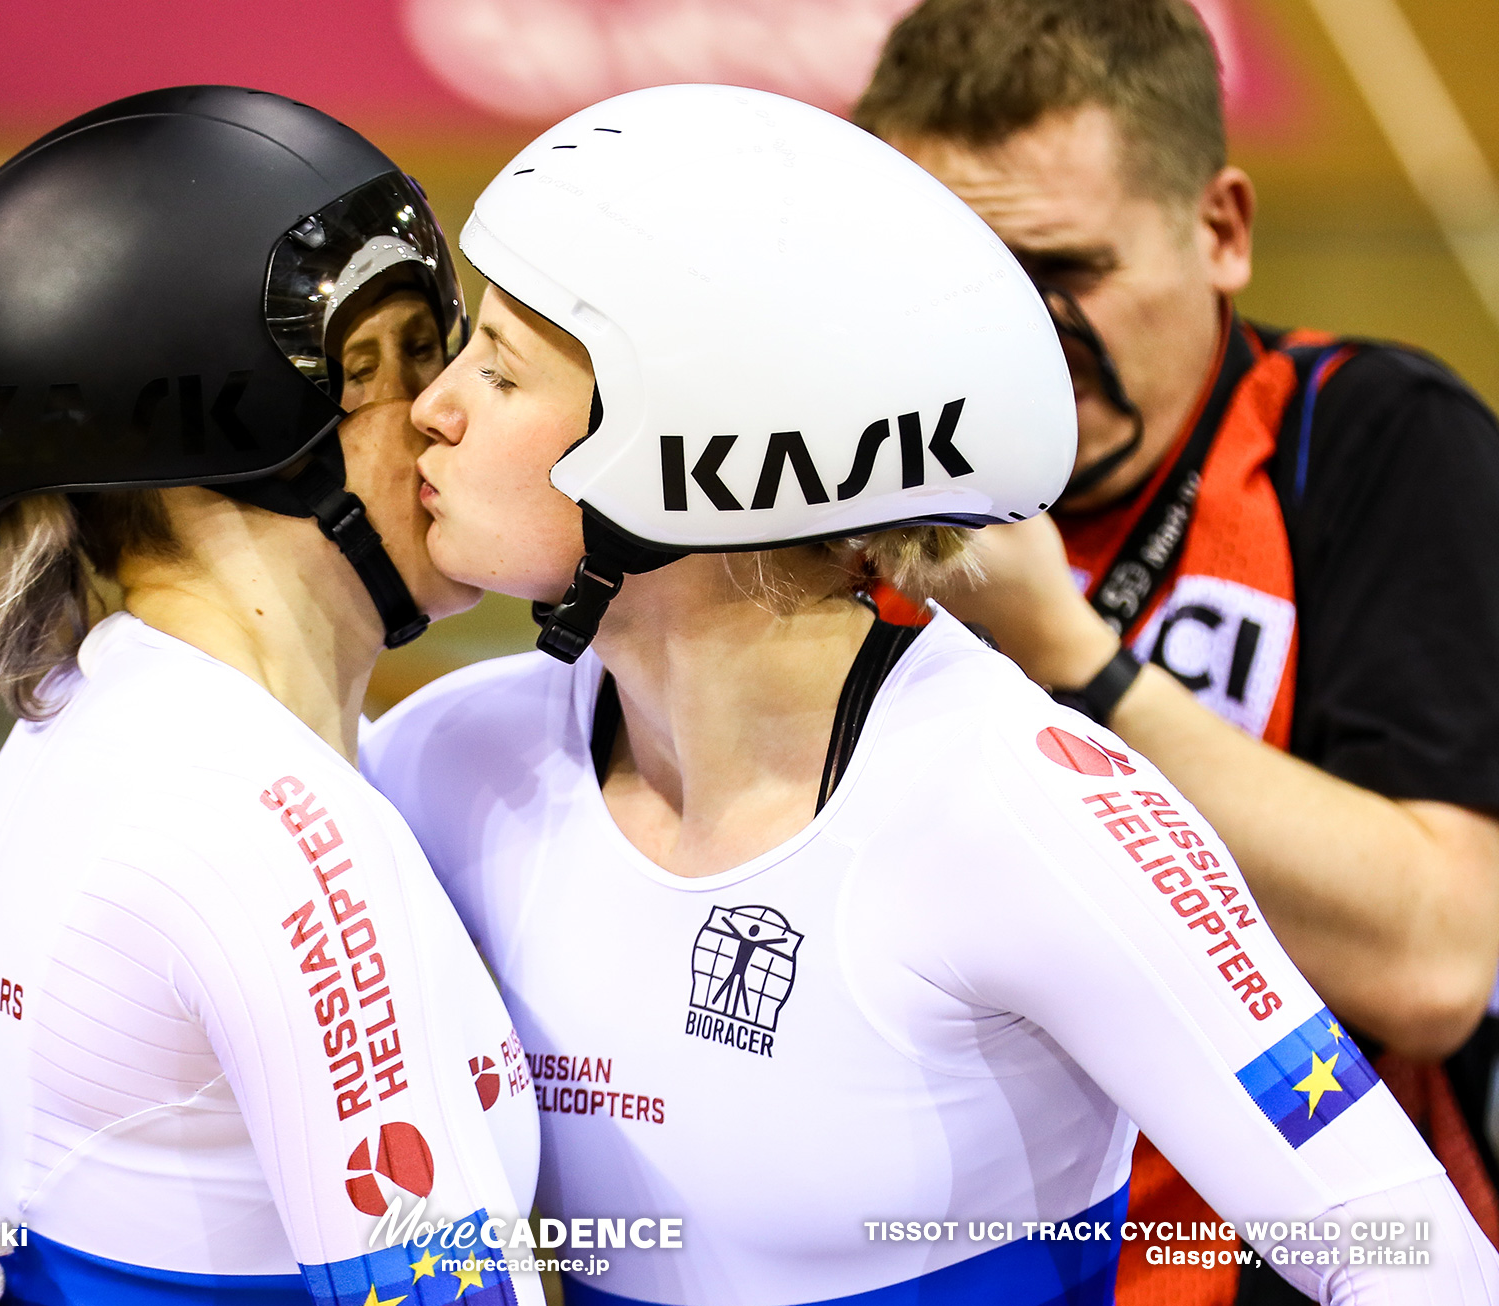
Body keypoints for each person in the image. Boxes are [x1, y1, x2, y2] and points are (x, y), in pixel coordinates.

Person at [358, 83, 1499, 1302]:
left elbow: (1415, 1259)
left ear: (685, 450)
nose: (433, 406)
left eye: (504, 368)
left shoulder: (1023, 812)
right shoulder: (442, 755)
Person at [0, 86, 542, 1306]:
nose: (442, 410)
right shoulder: (262, 827)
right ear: (244, 446)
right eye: (393, 364)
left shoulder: (98, 715)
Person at [852, 1, 1499, 1297]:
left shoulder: (1368, 441)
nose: (1019, 338)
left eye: (1068, 271)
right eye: (964, 277)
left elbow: (1436, 960)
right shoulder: (839, 484)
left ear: (1222, 231)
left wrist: (1069, 653)